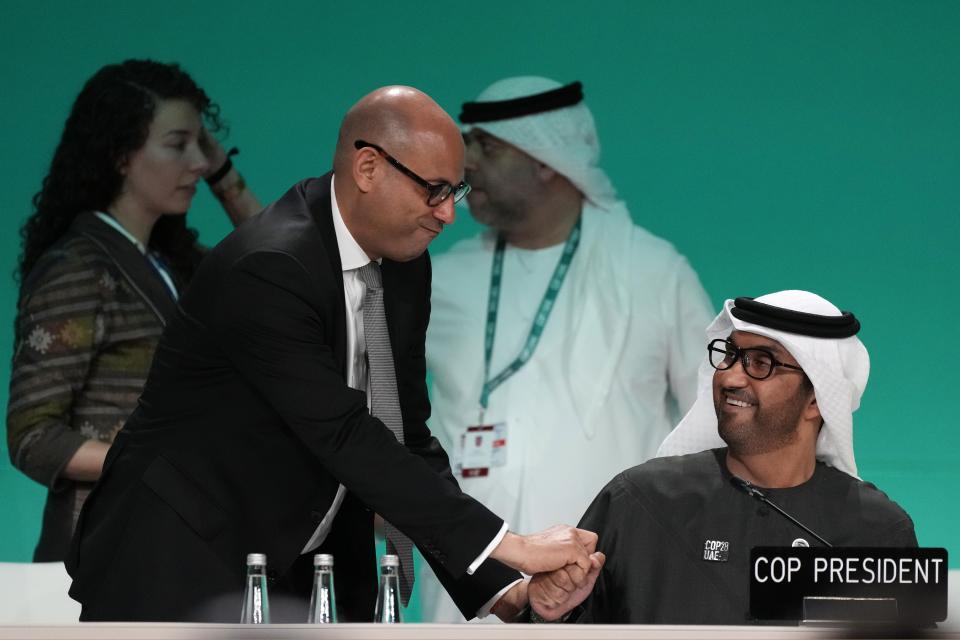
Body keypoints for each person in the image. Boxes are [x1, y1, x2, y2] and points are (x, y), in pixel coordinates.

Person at [65, 85, 597, 623]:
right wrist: (512, 543)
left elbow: (404, 437)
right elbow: (342, 434)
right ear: (368, 167)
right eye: (434, 190)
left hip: (304, 570)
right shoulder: (270, 265)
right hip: (177, 563)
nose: (447, 214)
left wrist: (507, 591)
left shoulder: (407, 264)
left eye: (454, 192)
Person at [418, 76, 713, 621]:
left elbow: (716, 424)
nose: (467, 164)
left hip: (612, 593)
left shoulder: (653, 273)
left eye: (486, 147)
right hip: (474, 601)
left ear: (546, 160)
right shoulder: (439, 277)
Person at [526, 290, 918, 624]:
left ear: (817, 399)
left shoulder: (877, 532)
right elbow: (558, 621)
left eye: (760, 363)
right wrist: (544, 611)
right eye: (729, 354)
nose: (730, 376)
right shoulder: (641, 501)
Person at [6, 59, 262, 562]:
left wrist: (225, 175)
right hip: (102, 558)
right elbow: (32, 437)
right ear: (122, 156)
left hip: (167, 547)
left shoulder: (171, 265)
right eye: (177, 144)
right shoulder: (77, 268)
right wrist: (159, 465)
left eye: (201, 146)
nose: (197, 162)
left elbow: (277, 266)